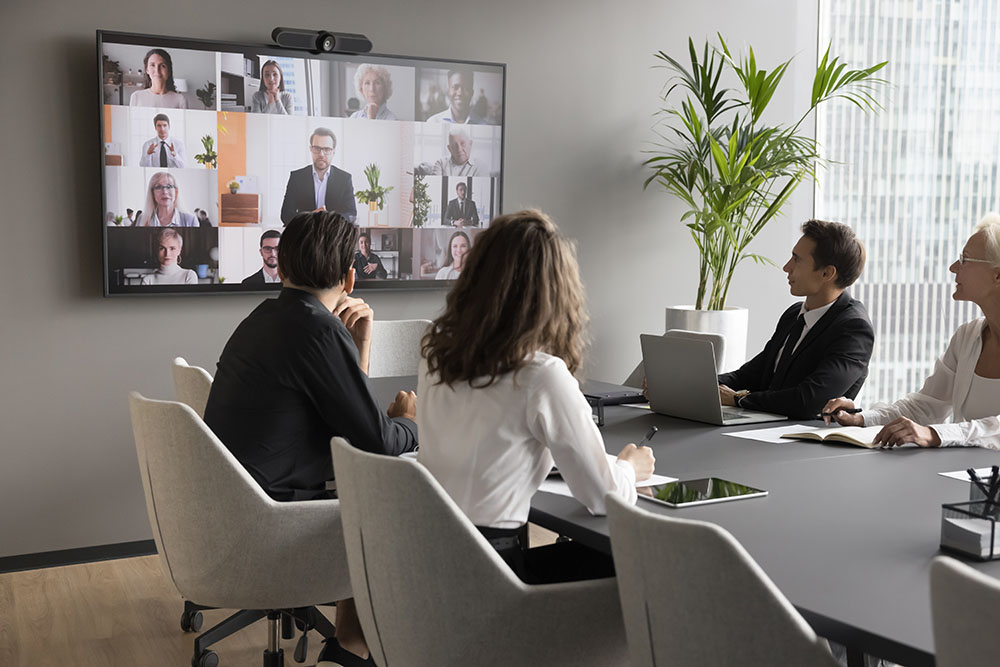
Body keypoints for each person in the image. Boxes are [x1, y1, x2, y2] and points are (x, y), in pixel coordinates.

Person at [204, 210, 417, 666]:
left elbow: (348, 423)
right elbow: (377, 443)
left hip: (231, 512)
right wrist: (412, 422)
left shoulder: (265, 316)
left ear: (281, 267)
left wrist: (358, 346)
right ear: (350, 277)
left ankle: (352, 642)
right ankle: (351, 647)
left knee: (364, 486)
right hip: (273, 522)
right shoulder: (317, 330)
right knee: (386, 497)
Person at [417, 209, 655, 584]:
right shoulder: (541, 375)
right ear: (555, 292)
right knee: (645, 559)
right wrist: (629, 467)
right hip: (494, 587)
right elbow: (602, 497)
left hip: (430, 571)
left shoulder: (436, 355)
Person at [825, 213, 1000, 449]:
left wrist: (934, 434)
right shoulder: (967, 336)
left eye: (965, 259)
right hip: (968, 470)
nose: (953, 267)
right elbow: (926, 407)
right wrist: (861, 418)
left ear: (997, 275)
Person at [717, 219, 874, 419]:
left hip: (803, 435)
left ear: (827, 273)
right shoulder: (794, 315)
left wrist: (739, 399)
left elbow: (809, 400)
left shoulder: (854, 328)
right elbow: (749, 376)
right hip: (763, 426)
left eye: (797, 260)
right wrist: (702, 384)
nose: (786, 267)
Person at [280, 128, 357, 224]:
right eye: (317, 148)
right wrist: (311, 217)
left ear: (333, 151)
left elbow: (351, 214)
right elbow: (286, 214)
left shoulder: (344, 179)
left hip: (333, 230)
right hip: (305, 230)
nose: (321, 154)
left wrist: (329, 219)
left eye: (327, 149)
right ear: (311, 149)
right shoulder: (297, 177)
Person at [414, 126, 479, 177]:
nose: (459, 149)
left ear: (470, 144)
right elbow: (436, 184)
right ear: (449, 149)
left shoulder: (480, 167)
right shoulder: (441, 163)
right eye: (454, 146)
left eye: (462, 144)